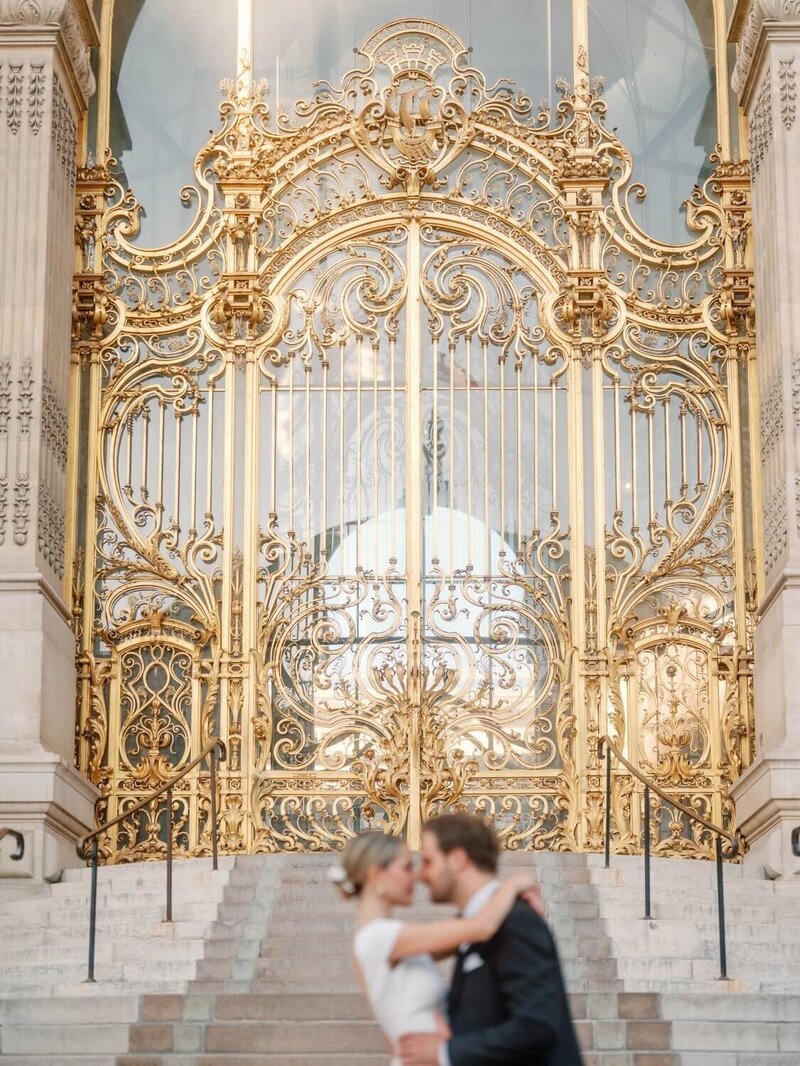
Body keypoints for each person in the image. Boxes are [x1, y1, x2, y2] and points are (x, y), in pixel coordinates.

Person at [330, 830, 541, 1066]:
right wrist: (513, 885)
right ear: (377, 875)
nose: (417, 877)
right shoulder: (380, 936)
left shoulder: (382, 938)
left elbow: (463, 938)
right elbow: (481, 927)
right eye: (407, 867)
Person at [398, 813, 583, 1066]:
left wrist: (446, 1053)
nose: (420, 875)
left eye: (428, 861)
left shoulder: (517, 921)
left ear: (457, 860)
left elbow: (536, 1025)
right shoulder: (475, 925)